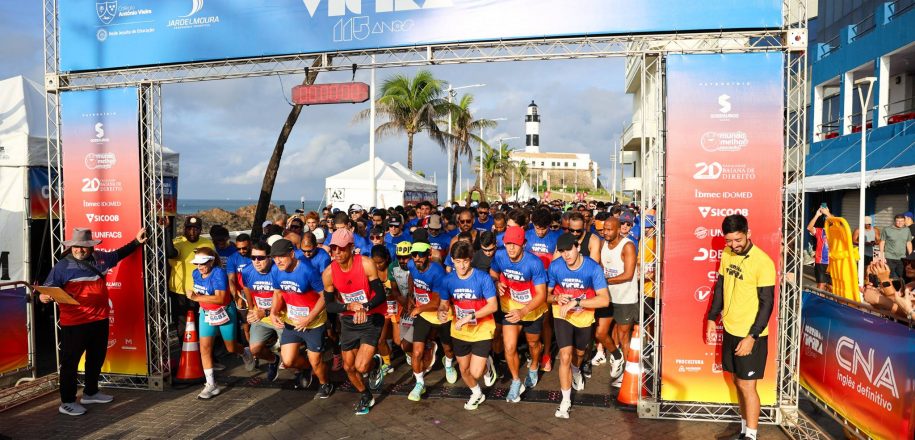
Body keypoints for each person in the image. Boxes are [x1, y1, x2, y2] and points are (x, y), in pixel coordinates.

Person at [41, 227, 147, 416]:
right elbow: (47, 288)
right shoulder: (62, 266)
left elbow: (120, 253)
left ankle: (90, 392)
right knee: (70, 363)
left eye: (82, 247)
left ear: (90, 247)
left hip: (100, 319)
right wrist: (44, 297)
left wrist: (136, 242)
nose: (78, 250)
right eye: (75, 246)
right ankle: (67, 401)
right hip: (74, 324)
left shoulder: (102, 259)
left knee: (95, 358)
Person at [706, 214, 776, 440]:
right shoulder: (727, 254)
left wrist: (752, 337)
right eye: (729, 241)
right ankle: (744, 430)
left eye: (738, 240)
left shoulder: (763, 262)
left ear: (748, 233)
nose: (733, 245)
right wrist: (711, 318)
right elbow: (721, 288)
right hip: (730, 330)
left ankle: (752, 436)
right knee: (738, 382)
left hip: (751, 335)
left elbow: (767, 304)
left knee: (748, 386)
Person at [321, 229, 388, 415]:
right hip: (349, 320)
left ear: (351, 247)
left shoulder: (366, 264)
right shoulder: (329, 273)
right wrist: (349, 307)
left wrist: (364, 307)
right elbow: (329, 305)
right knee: (348, 367)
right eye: (333, 248)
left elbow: (381, 294)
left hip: (372, 316)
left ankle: (374, 364)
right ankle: (366, 395)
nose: (337, 253)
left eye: (341, 249)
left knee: (361, 366)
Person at [548, 233, 610, 419]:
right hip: (562, 315)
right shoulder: (555, 266)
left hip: (583, 316)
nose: (566, 255)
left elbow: (604, 300)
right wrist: (557, 298)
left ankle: (577, 370)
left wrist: (576, 302)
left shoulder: (592, 268)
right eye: (562, 251)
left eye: (569, 250)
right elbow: (545, 296)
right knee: (565, 356)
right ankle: (565, 401)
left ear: (577, 247)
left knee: (580, 354)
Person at [437, 241, 499, 411]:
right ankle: (477, 393)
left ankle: (487, 364)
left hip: (482, 329)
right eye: (458, 262)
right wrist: (441, 311)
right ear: (452, 260)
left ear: (470, 259)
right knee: (464, 370)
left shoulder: (482, 278)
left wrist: (470, 316)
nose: (462, 266)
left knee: (476, 373)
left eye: (465, 261)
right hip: (460, 331)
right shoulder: (448, 280)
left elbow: (493, 306)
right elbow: (443, 304)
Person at [269, 238, 334, 398]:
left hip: (313, 323)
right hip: (292, 322)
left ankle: (325, 382)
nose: (278, 260)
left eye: (282, 256)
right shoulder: (276, 270)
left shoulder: (307, 270)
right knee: (288, 361)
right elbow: (277, 293)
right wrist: (273, 312)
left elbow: (324, 296)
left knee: (316, 360)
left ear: (292, 254)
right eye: (275, 257)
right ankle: (305, 369)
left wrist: (309, 318)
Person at [489, 226, 548, 402]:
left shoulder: (534, 263)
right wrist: (497, 281)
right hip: (509, 306)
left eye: (515, 244)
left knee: (533, 344)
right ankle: (516, 382)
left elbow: (542, 295)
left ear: (523, 244)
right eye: (508, 244)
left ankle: (534, 365)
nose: (511, 248)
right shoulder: (499, 255)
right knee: (509, 347)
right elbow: (493, 271)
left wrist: (523, 311)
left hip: (531, 309)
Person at [186, 247, 254, 399]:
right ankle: (211, 384)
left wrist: (196, 298)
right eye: (197, 263)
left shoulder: (219, 273)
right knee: (204, 348)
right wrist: (195, 296)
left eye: (203, 263)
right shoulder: (196, 273)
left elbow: (220, 298)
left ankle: (244, 351)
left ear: (211, 261)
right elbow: (199, 292)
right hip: (206, 313)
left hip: (224, 312)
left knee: (230, 348)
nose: (199, 267)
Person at [406, 241, 457, 401]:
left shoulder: (437, 272)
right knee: (417, 352)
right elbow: (411, 278)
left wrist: (419, 308)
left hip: (441, 313)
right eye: (414, 255)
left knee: (448, 348)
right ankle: (419, 384)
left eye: (420, 255)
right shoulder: (411, 264)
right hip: (423, 314)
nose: (417, 258)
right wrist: (410, 298)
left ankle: (448, 364)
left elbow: (437, 302)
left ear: (428, 255)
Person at [598, 217, 637, 387]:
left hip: (625, 298)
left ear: (619, 229)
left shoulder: (627, 246)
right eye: (604, 229)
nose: (605, 232)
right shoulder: (603, 244)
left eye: (609, 229)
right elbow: (601, 265)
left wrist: (605, 280)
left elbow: (628, 274)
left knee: (623, 337)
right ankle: (617, 356)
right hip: (607, 298)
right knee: (600, 333)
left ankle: (628, 376)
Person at [241, 242, 283, 380]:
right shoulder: (247, 271)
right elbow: (246, 287)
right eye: (253, 258)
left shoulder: (278, 271)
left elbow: (287, 299)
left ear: (270, 257)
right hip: (261, 316)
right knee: (254, 350)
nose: (256, 262)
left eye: (261, 258)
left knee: (290, 356)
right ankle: (273, 360)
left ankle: (302, 369)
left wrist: (265, 312)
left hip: (281, 316)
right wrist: (251, 308)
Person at [167, 216, 215, 334]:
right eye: (189, 228)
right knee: (182, 327)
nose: (192, 231)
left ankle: (201, 350)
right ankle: (184, 351)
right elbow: (170, 253)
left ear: (200, 229)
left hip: (201, 291)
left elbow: (214, 266)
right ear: (184, 229)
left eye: (196, 228)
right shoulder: (178, 242)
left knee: (201, 325)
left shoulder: (207, 243)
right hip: (179, 292)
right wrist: (166, 229)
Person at [371, 245, 404, 377]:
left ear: (387, 258)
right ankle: (387, 363)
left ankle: (414, 355)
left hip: (397, 308)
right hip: (382, 310)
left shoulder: (394, 269)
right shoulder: (371, 272)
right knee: (380, 339)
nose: (378, 265)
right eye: (375, 262)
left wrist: (391, 293)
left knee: (398, 341)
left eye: (381, 262)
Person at [880, 214, 913, 281]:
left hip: (902, 258)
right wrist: (882, 256)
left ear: (904, 221)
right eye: (898, 221)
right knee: (891, 277)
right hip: (889, 257)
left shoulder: (907, 230)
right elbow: (882, 242)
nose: (900, 223)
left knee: (901, 277)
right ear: (894, 221)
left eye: (902, 221)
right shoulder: (887, 229)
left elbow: (908, 242)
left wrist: (911, 256)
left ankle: (900, 290)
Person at [806, 206, 831, 291]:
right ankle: (818, 301)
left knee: (832, 287)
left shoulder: (837, 232)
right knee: (821, 285)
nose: (828, 220)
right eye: (827, 219)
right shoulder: (821, 231)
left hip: (833, 261)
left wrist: (828, 213)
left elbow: (839, 224)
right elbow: (809, 228)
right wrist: (817, 215)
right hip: (821, 262)